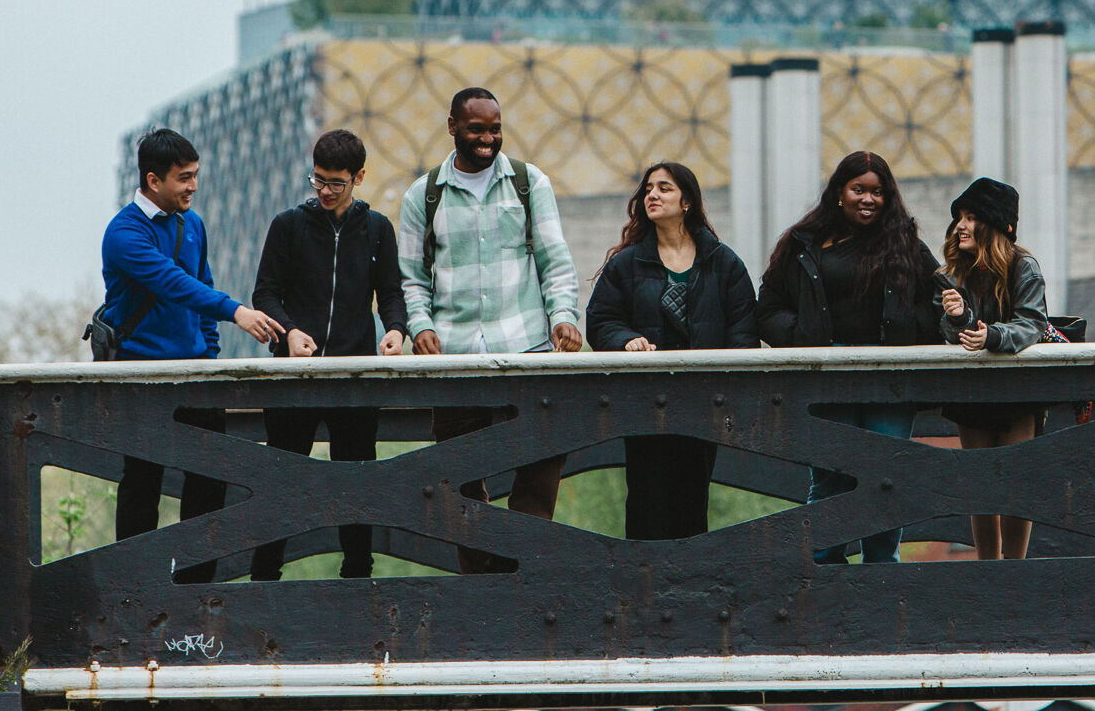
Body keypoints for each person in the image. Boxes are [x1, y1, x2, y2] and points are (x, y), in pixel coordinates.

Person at [398, 87, 584, 572]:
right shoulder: (424, 194)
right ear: (452, 126)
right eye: (477, 129)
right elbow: (412, 277)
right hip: (456, 356)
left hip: (528, 346)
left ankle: (526, 567)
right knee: (457, 477)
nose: (488, 138)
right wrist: (419, 326)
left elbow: (555, 262)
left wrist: (564, 315)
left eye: (495, 128)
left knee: (542, 463)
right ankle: (481, 582)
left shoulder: (529, 182)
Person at [100, 127, 285, 582]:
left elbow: (200, 284)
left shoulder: (192, 223)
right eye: (184, 177)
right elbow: (173, 284)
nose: (193, 186)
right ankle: (136, 585)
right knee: (143, 482)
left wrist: (210, 353)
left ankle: (194, 588)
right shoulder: (124, 233)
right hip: (140, 374)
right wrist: (236, 311)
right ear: (152, 179)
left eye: (195, 175)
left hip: (195, 371)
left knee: (210, 480)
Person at [755, 150, 943, 563]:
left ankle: (882, 569)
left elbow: (941, 298)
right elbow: (768, 306)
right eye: (859, 189)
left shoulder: (905, 242)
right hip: (827, 374)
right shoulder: (803, 244)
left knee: (886, 477)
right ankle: (824, 566)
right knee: (831, 475)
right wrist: (806, 342)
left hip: (890, 378)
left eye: (878, 192)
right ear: (839, 192)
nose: (868, 199)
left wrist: (908, 336)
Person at [247, 128, 410, 581]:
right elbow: (265, 293)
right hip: (294, 378)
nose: (323, 191)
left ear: (359, 177)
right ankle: (265, 578)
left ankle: (358, 577)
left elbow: (391, 294)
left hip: (355, 375)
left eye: (335, 183)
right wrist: (290, 334)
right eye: (317, 179)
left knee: (358, 481)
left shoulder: (378, 230)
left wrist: (396, 330)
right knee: (279, 482)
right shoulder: (288, 225)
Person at [587, 162, 758, 539]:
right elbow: (600, 321)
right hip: (645, 403)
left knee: (692, 500)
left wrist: (729, 393)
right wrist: (624, 340)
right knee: (646, 500)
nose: (652, 195)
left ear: (687, 202)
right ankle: (643, 588)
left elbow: (744, 329)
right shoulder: (628, 264)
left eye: (664, 188)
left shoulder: (722, 263)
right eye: (648, 188)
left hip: (703, 403)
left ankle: (688, 589)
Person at [937, 176, 1049, 560]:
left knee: (1016, 483)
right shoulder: (956, 271)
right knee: (979, 488)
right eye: (960, 217)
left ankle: (1014, 570)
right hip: (973, 390)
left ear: (995, 225)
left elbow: (1032, 323)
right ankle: (988, 568)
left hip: (1019, 391)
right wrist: (956, 319)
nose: (961, 226)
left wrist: (993, 337)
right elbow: (954, 334)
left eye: (971, 217)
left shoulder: (1024, 268)